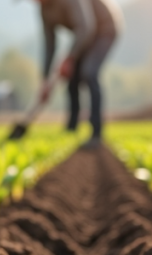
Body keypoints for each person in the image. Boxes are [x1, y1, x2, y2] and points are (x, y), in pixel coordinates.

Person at [38, 0, 123, 147]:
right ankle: (71, 129)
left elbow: (86, 27)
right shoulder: (44, 10)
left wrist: (70, 57)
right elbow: (49, 45)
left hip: (104, 28)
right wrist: (45, 80)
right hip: (85, 35)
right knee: (72, 79)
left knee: (89, 72)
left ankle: (96, 132)